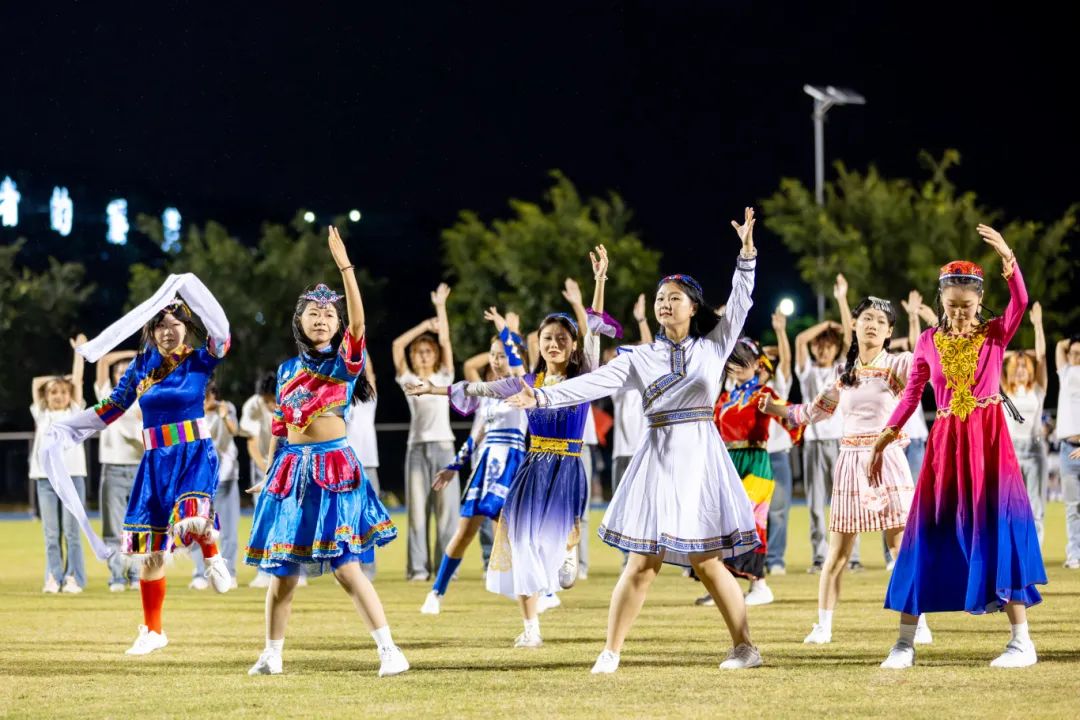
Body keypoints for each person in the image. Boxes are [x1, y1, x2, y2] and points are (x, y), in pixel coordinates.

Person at [507, 208, 765, 673]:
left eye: (675, 298)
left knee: (708, 562)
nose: (665, 304)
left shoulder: (714, 344)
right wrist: (541, 396)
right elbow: (590, 384)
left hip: (701, 458)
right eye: (661, 298)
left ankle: (745, 647)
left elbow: (741, 301)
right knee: (642, 562)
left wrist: (746, 254)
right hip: (659, 458)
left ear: (693, 307)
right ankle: (610, 652)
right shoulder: (639, 357)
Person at [408, 246, 614, 649]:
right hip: (532, 467)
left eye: (561, 339)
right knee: (519, 543)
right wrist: (432, 388)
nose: (554, 344)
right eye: (547, 339)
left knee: (554, 554)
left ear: (573, 345)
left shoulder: (584, 377)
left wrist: (599, 281)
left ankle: (567, 547)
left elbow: (594, 332)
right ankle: (531, 628)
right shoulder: (526, 382)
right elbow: (478, 388)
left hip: (567, 466)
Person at [869, 225, 1046, 669]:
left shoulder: (995, 333)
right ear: (941, 302)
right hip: (946, 445)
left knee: (998, 528)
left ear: (979, 302)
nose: (960, 314)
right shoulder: (928, 341)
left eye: (967, 307)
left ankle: (1022, 642)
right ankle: (904, 643)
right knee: (924, 531)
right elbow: (912, 395)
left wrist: (1008, 259)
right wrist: (885, 436)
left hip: (989, 442)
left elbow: (1021, 301)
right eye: (952, 307)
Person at [39, 273, 234, 655]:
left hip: (194, 452)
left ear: (187, 327)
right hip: (155, 461)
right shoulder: (141, 367)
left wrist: (187, 285)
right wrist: (68, 428)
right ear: (150, 330)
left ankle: (212, 556)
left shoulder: (200, 359)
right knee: (153, 549)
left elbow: (222, 332)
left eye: (175, 324)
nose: (167, 331)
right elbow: (112, 406)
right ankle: (153, 631)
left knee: (192, 516)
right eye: (160, 325)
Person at [244, 227, 406, 677]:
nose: (321, 319)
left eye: (328, 314)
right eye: (313, 313)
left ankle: (390, 650)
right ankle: (271, 654)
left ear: (337, 325)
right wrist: (270, 469)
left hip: (334, 467)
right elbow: (281, 425)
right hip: (292, 472)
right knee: (282, 572)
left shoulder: (343, 362)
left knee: (345, 567)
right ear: (299, 322)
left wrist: (346, 269)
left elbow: (359, 325)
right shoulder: (285, 370)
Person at [761, 293, 930, 646]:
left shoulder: (898, 364)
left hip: (887, 459)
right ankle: (823, 626)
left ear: (889, 332)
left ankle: (919, 623)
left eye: (881, 322)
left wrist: (927, 319)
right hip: (851, 462)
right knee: (837, 554)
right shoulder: (843, 373)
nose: (873, 325)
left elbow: (927, 360)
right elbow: (812, 412)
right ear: (853, 325)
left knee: (900, 550)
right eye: (867, 318)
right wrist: (775, 409)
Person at [420, 308, 529, 614]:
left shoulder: (523, 385)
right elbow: (477, 435)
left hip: (511, 466)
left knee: (511, 533)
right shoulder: (488, 393)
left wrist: (506, 331)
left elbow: (517, 364)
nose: (496, 360)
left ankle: (534, 592)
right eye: (493, 355)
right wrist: (454, 467)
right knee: (465, 532)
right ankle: (436, 592)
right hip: (486, 468)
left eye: (502, 355)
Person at [393, 284, 459, 581]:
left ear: (435, 356)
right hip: (417, 449)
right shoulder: (408, 379)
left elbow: (445, 341)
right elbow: (397, 345)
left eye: (428, 352)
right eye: (419, 352)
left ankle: (445, 569)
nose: (423, 356)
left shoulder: (444, 376)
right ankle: (418, 569)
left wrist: (441, 308)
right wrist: (423, 326)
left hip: (444, 447)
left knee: (447, 513)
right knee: (418, 512)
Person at [795, 300, 851, 573]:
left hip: (840, 440)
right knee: (816, 504)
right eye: (819, 345)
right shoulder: (806, 372)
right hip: (814, 442)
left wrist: (841, 302)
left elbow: (850, 339)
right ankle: (819, 556)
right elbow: (800, 339)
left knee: (846, 500)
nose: (823, 350)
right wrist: (826, 325)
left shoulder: (841, 369)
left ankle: (850, 556)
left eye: (829, 345)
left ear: (836, 348)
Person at [30, 335, 88, 594]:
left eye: (63, 392)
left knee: (72, 532)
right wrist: (58, 379)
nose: (59, 395)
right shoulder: (41, 413)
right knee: (51, 533)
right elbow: (36, 382)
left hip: (72, 477)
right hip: (46, 479)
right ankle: (54, 577)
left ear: (70, 395)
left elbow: (78, 380)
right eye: (53, 392)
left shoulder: (74, 412)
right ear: (46, 396)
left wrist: (78, 354)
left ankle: (73, 578)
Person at [94, 349, 143, 591]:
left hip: (139, 468)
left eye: (128, 371)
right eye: (120, 372)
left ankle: (135, 574)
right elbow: (103, 361)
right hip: (112, 468)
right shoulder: (108, 396)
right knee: (113, 528)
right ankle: (116, 576)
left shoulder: (145, 398)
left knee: (137, 526)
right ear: (115, 377)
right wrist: (135, 353)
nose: (124, 375)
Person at [1002, 302, 1049, 545]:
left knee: (1036, 506)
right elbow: (994, 355)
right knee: (1011, 507)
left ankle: (1035, 553)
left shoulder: (1037, 389)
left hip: (1035, 450)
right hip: (1011, 451)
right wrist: (1015, 355)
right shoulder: (1003, 391)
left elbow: (1041, 357)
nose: (1020, 369)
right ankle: (1014, 551)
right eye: (1016, 366)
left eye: (1024, 366)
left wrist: (1038, 325)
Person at [190, 381, 240, 589]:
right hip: (200, 479)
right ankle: (200, 574)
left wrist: (224, 415)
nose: (206, 399)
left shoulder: (226, 408)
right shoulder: (192, 413)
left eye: (209, 395)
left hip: (226, 476)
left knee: (229, 530)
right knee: (198, 526)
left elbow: (235, 431)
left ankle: (229, 573)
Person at [240, 371, 279, 588]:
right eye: (267, 401)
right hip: (264, 467)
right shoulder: (253, 406)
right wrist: (267, 471)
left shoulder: (292, 401)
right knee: (264, 519)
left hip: (290, 465)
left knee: (290, 519)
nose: (271, 405)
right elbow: (252, 443)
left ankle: (295, 570)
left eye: (274, 400)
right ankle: (264, 570)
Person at [764, 308, 794, 576]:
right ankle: (753, 558)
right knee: (752, 511)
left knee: (778, 510)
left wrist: (781, 331)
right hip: (753, 454)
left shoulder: (778, 386)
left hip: (777, 454)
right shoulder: (742, 387)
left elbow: (786, 360)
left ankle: (775, 559)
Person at [346, 356, 383, 580]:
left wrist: (359, 341)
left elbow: (368, 369)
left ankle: (368, 568)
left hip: (368, 465)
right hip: (346, 466)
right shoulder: (340, 398)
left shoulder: (369, 398)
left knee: (368, 519)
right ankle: (349, 566)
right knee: (347, 519)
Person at [1054, 333, 1080, 569]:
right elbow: (1059, 346)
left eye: (1079, 354)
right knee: (1072, 507)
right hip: (1067, 449)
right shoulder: (1065, 373)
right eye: (1073, 353)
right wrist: (1070, 341)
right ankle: (1074, 554)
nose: (1075, 357)